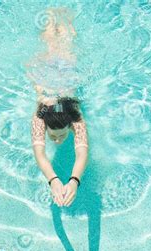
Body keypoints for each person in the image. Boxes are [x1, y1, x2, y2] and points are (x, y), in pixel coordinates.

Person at [27, 8, 88, 207]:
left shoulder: (75, 118)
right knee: (57, 38)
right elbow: (40, 154)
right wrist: (54, 180)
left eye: (60, 136)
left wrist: (74, 181)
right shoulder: (40, 117)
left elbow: (82, 153)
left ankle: (60, 11)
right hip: (63, 66)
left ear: (69, 125)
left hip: (52, 67)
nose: (58, 140)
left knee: (61, 38)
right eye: (53, 137)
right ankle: (53, 11)